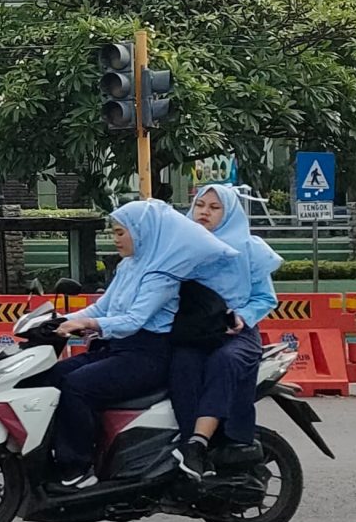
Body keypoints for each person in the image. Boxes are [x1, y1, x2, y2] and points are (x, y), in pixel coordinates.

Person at [41, 199, 246, 490]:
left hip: (146, 356)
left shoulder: (161, 276)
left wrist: (87, 325)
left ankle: (78, 467)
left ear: (142, 232)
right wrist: (57, 320)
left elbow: (133, 320)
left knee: (77, 386)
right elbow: (101, 308)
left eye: (120, 232)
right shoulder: (129, 267)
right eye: (113, 233)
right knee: (53, 377)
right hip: (117, 349)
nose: (115, 239)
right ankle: (59, 454)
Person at [171, 183, 283, 481]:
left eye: (214, 207)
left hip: (237, 335)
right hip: (195, 333)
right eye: (200, 205)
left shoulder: (249, 250)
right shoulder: (181, 248)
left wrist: (241, 317)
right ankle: (183, 444)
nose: (204, 212)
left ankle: (198, 444)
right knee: (181, 365)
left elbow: (265, 298)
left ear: (229, 213)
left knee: (226, 361)